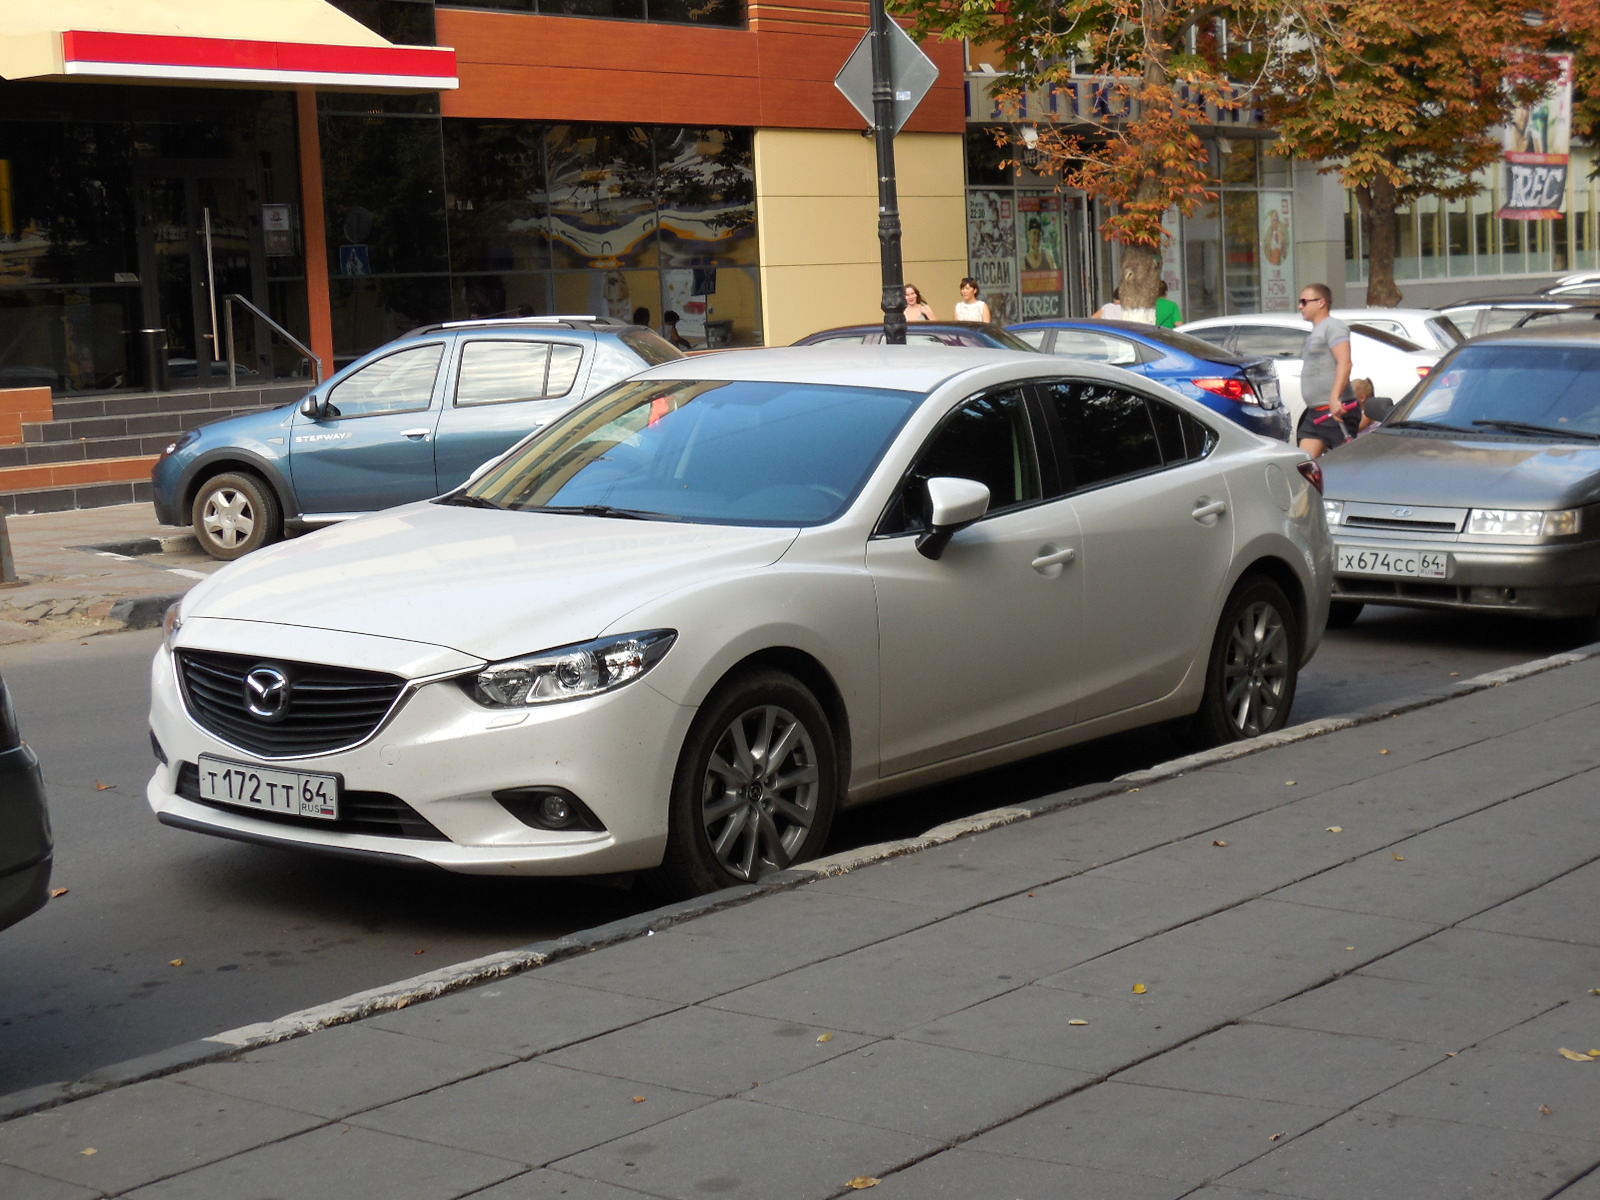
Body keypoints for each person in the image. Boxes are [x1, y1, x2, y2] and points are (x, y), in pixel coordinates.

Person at [1296, 282, 1355, 458]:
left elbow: (1345, 362)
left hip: (1335, 412)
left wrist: (1335, 397)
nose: (1300, 307)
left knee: (1344, 468)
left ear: (1321, 302)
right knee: (1304, 467)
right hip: (1315, 413)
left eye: (1304, 302)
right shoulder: (1315, 332)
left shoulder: (1333, 326)